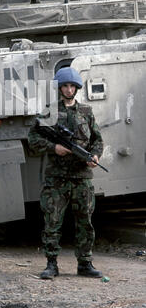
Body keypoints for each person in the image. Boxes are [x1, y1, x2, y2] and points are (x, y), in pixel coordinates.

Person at [28, 67, 104, 279]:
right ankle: (51, 264)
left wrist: (95, 156)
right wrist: (54, 148)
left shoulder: (86, 112)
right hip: (57, 178)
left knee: (85, 222)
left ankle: (85, 263)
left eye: (72, 86)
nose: (69, 90)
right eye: (65, 86)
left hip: (82, 177)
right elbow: (33, 139)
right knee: (52, 221)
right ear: (59, 88)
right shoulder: (49, 112)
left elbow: (97, 139)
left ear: (77, 88)